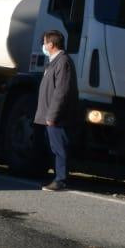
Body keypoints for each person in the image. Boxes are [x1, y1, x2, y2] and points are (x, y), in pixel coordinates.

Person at [34, 30, 79, 191]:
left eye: (45, 43)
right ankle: (56, 177)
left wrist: (52, 115)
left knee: (59, 148)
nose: (43, 46)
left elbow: (61, 91)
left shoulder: (63, 62)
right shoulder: (54, 61)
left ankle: (61, 179)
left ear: (51, 45)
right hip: (49, 115)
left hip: (56, 117)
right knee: (53, 148)